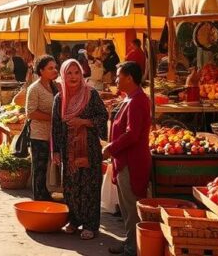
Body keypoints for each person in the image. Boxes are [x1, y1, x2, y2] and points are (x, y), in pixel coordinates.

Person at [51, 59, 109, 240]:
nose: (73, 77)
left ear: (82, 74)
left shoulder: (91, 94)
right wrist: (56, 151)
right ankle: (74, 220)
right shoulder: (60, 98)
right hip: (69, 150)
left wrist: (83, 122)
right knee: (71, 186)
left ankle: (91, 225)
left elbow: (102, 116)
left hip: (89, 149)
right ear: (63, 75)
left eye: (77, 72)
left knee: (89, 186)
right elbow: (55, 127)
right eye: (69, 73)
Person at [103, 61, 152, 255]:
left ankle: (134, 247)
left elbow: (133, 134)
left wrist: (111, 147)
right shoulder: (130, 98)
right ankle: (130, 242)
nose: (116, 80)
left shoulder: (138, 100)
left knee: (131, 207)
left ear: (129, 78)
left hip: (133, 161)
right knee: (126, 206)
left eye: (118, 76)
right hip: (124, 160)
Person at [25, 55, 59, 201]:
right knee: (39, 170)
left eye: (55, 67)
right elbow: (30, 113)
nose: (55, 70)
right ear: (41, 70)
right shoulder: (34, 88)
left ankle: (47, 197)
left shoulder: (54, 86)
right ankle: (39, 201)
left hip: (52, 135)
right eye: (50, 68)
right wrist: (53, 117)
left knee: (48, 171)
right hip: (39, 136)